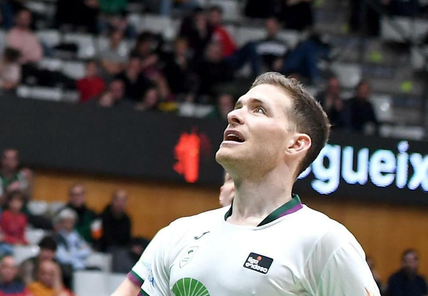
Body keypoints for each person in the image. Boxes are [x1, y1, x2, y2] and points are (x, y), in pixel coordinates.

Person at [109, 73, 377, 296]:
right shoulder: (178, 234)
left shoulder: (324, 242)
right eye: (238, 106)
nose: (234, 115)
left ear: (296, 144)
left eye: (258, 110)